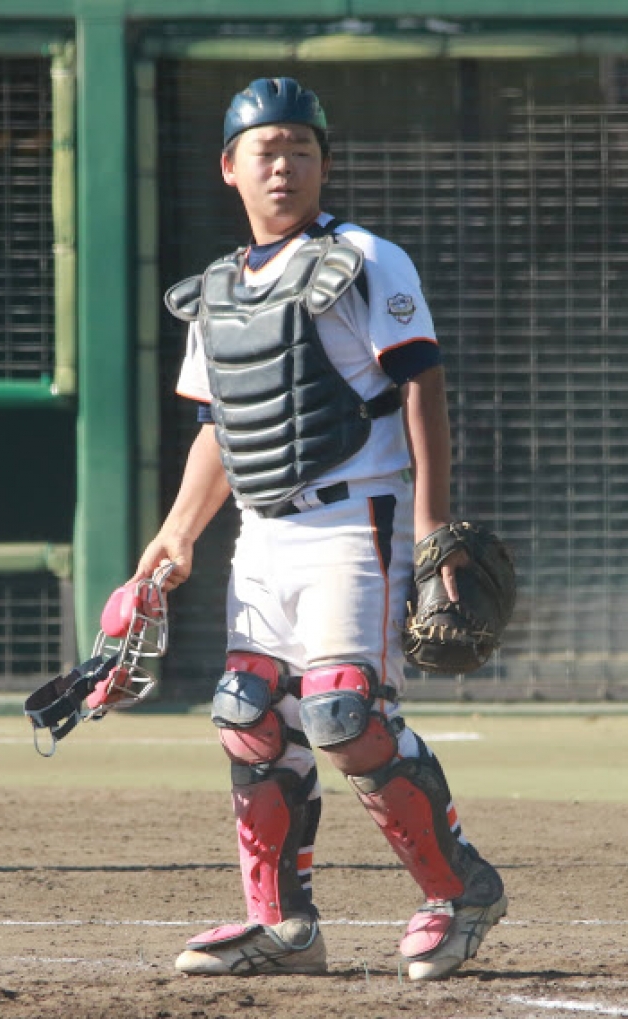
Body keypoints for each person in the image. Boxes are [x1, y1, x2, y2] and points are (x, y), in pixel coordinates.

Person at [134, 76, 507, 981]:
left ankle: (458, 891)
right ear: (229, 168)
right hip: (261, 532)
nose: (285, 165)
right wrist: (178, 532)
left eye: (302, 149)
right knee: (250, 712)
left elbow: (421, 384)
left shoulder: (366, 258)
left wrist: (431, 525)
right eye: (267, 150)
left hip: (357, 518)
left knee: (344, 713)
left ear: (325, 165)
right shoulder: (218, 289)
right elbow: (221, 428)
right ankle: (281, 927)